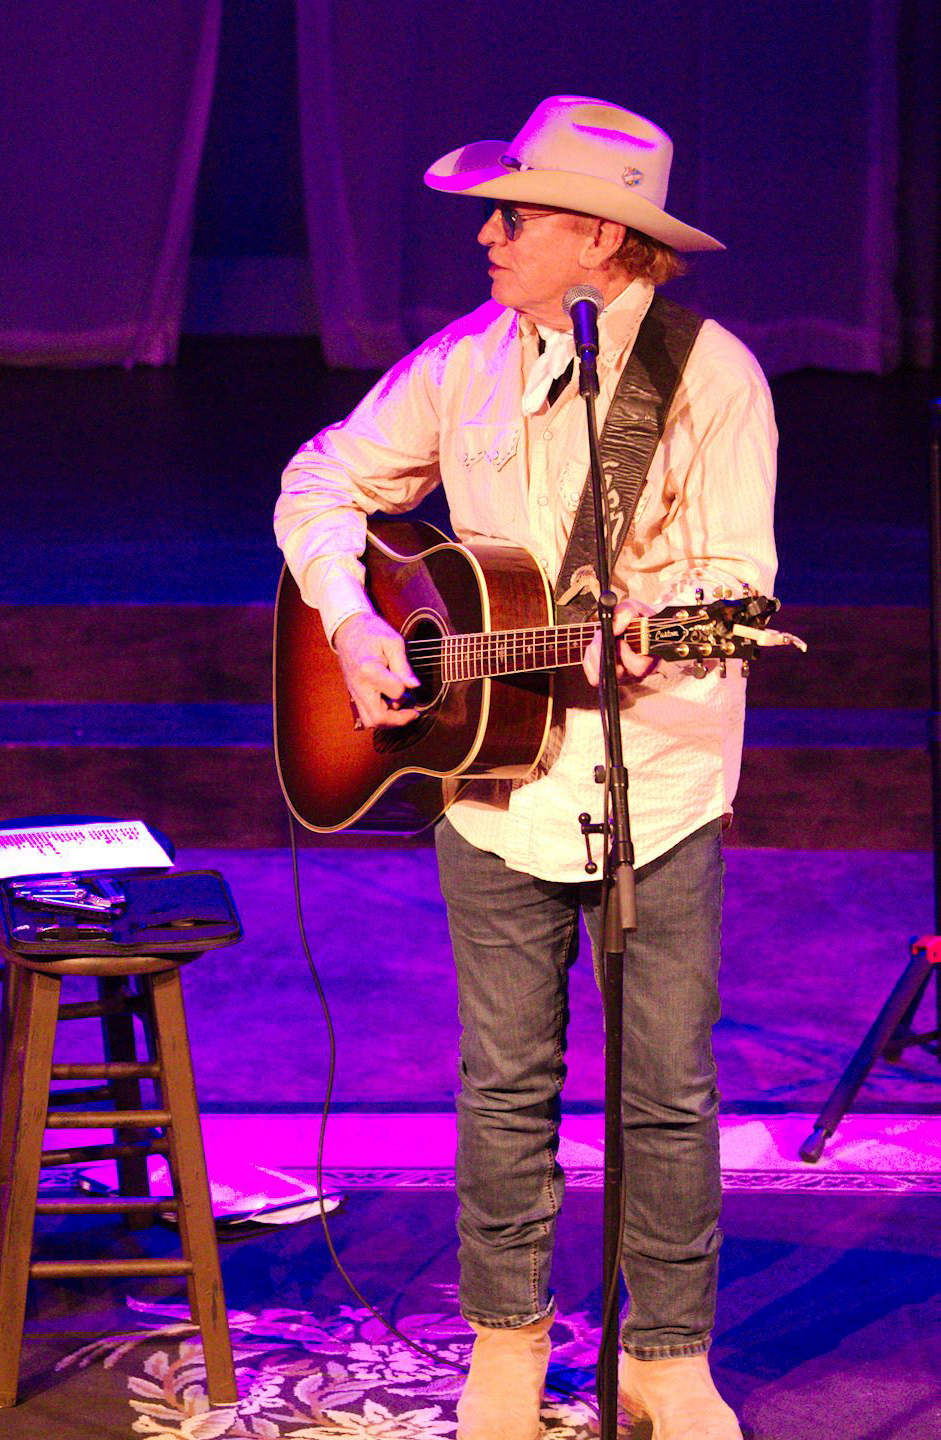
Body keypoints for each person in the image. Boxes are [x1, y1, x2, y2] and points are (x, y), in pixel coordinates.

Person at [276, 96, 775, 1440]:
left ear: (599, 237)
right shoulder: (466, 362)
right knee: (503, 1084)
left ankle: (668, 1361)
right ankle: (507, 1349)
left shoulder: (710, 377)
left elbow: (739, 585)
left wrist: (654, 650)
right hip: (494, 795)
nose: (487, 234)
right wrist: (355, 616)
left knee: (666, 1087)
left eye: (516, 212)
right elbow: (319, 479)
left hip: (654, 792)